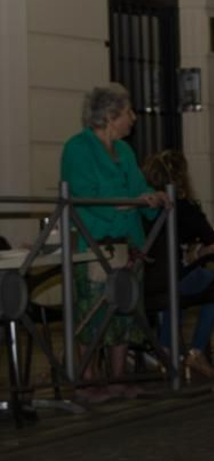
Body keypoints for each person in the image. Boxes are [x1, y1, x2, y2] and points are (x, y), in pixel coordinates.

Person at [59, 84, 168, 400]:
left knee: (125, 310)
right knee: (92, 310)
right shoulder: (77, 148)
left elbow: (138, 186)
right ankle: (88, 378)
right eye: (128, 112)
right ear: (109, 116)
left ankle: (118, 376)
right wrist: (126, 202)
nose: (134, 118)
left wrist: (154, 197)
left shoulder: (124, 151)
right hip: (95, 243)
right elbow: (82, 194)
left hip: (128, 243)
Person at [141, 150, 214, 378]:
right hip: (175, 278)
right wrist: (198, 254)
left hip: (145, 279)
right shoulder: (184, 208)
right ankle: (196, 350)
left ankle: (164, 348)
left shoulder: (142, 208)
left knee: (171, 289)